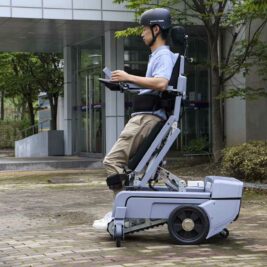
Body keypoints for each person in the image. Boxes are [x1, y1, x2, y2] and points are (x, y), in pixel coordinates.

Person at [93, 8, 177, 230]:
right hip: (143, 116)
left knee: (112, 162)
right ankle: (122, 211)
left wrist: (129, 76)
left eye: (144, 29)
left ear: (156, 29)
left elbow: (161, 83)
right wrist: (124, 84)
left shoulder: (164, 55)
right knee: (123, 166)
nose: (142, 33)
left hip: (146, 118)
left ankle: (123, 213)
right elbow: (153, 86)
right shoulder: (156, 56)